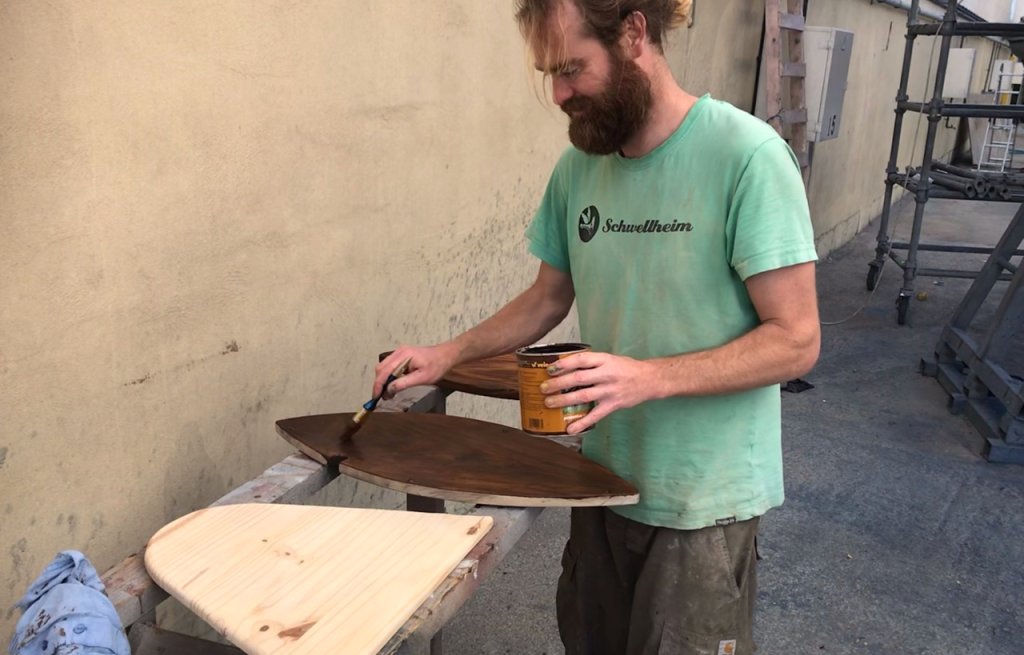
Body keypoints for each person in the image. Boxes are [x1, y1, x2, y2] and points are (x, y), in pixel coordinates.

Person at [374, 1, 820, 652]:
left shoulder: (746, 155)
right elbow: (547, 298)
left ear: (634, 34)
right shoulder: (579, 168)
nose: (559, 94)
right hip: (602, 484)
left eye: (571, 69)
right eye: (549, 74)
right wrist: (448, 353)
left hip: (703, 503)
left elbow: (797, 339)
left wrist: (648, 377)